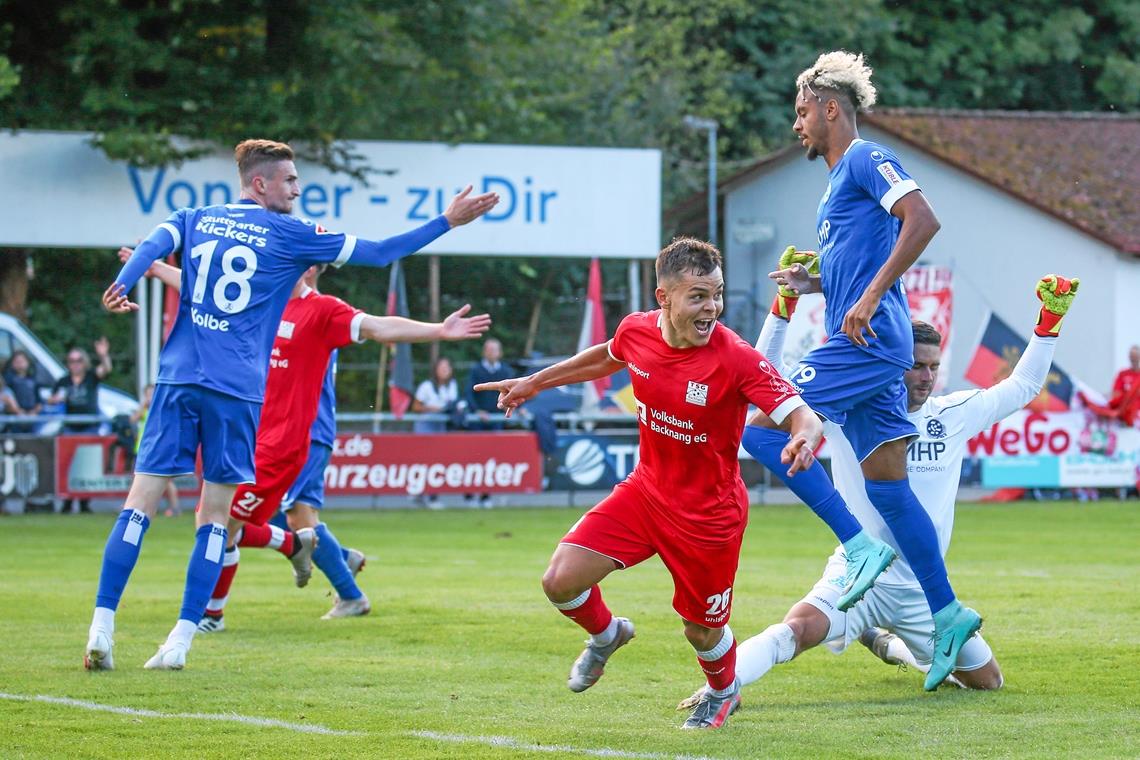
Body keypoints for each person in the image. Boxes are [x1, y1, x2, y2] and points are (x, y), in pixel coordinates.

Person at [85, 138, 498, 672]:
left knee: (138, 504)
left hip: (179, 378)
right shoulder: (289, 236)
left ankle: (102, 627)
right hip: (235, 393)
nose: (298, 190)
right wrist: (445, 221)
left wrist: (122, 282)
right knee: (216, 518)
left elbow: (153, 249)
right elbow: (379, 253)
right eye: (290, 181)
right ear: (260, 184)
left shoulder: (194, 216)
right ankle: (181, 641)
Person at [678, 274, 1079, 710]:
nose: (925, 377)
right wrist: (782, 310)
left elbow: (1022, 387)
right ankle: (722, 685)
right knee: (795, 631)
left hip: (926, 589)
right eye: (915, 366)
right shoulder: (850, 410)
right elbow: (768, 388)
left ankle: (889, 646)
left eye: (932, 366)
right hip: (858, 577)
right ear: (893, 364)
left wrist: (1049, 323)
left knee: (988, 682)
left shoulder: (955, 413)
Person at [475, 236, 823, 730]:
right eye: (698, 296)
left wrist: (804, 438)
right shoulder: (637, 331)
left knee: (701, 631)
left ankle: (724, 690)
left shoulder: (735, 357)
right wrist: (536, 381)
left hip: (709, 516)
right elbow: (607, 356)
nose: (712, 308)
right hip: (645, 494)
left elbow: (800, 413)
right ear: (664, 298)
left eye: (717, 294)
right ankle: (606, 635)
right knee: (560, 580)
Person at [747, 50, 978, 690]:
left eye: (801, 113)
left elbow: (923, 220)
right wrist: (814, 280)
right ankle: (949, 612)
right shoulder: (834, 185)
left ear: (828, 109)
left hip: (869, 340)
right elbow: (858, 260)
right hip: (873, 340)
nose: (796, 125)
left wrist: (871, 297)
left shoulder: (863, 157)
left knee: (761, 426)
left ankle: (857, 547)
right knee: (887, 488)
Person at [464, 339, 513, 506]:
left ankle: (486, 495)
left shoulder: (506, 371)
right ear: (484, 352)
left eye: (495, 350)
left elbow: (515, 391)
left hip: (496, 421)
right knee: (474, 457)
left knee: (493, 458)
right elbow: (469, 393)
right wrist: (476, 410)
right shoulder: (476, 371)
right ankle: (470, 494)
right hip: (478, 422)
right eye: (489, 350)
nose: (492, 353)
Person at [130, 384, 181, 516]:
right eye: (147, 394)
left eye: (152, 394)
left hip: (158, 449)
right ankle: (139, 506)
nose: (150, 397)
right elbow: (132, 419)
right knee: (138, 479)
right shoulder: (144, 411)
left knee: (166, 480)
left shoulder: (162, 409)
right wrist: (142, 406)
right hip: (142, 448)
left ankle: (174, 507)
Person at [49, 340, 112, 433]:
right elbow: (50, 400)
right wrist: (55, 399)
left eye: (79, 360)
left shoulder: (91, 376)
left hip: (91, 426)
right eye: (72, 361)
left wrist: (103, 355)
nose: (75, 364)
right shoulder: (63, 381)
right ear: (68, 363)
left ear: (85, 362)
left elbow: (106, 369)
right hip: (70, 427)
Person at [413, 356, 460, 433]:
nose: (444, 370)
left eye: (447, 367)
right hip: (426, 424)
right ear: (436, 370)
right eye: (441, 367)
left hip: (442, 424)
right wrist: (430, 409)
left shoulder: (452, 385)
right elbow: (415, 407)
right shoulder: (426, 386)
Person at [4, 350, 44, 432]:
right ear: (12, 364)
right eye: (17, 361)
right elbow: (5, 401)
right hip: (15, 419)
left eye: (22, 361)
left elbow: (39, 402)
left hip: (32, 418)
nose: (20, 364)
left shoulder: (33, 381)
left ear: (28, 362)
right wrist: (18, 411)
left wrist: (34, 412)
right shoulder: (8, 380)